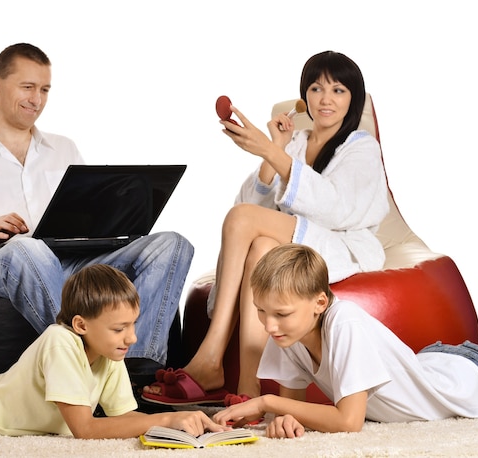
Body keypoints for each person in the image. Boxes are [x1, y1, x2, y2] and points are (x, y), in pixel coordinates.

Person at [0, 43, 193, 385]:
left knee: (172, 244)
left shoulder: (64, 148)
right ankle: (83, 369)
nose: (37, 99)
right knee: (28, 247)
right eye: (27, 87)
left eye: (44, 90)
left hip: (73, 260)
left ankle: (136, 373)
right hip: (0, 259)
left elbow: (90, 216)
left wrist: (114, 221)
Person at [143, 50, 388, 404]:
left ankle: (211, 355)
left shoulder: (360, 148)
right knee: (258, 247)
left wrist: (275, 155)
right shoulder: (297, 144)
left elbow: (336, 211)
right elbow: (256, 205)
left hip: (339, 244)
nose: (326, 99)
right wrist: (274, 150)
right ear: (305, 95)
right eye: (317, 89)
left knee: (242, 219)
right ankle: (248, 383)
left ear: (354, 99)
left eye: (339, 91)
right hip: (296, 242)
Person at [0, 265, 226, 438]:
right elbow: (85, 428)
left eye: (133, 325)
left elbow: (125, 419)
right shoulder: (61, 341)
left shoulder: (109, 352)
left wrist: (175, 427)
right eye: (120, 329)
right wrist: (165, 418)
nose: (131, 338)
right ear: (81, 325)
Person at [210, 244, 478, 437]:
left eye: (281, 313)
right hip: (431, 360)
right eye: (261, 311)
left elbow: (350, 422)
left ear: (320, 302)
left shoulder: (343, 321)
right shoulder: (288, 332)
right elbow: (290, 409)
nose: (269, 325)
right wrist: (283, 420)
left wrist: (265, 403)